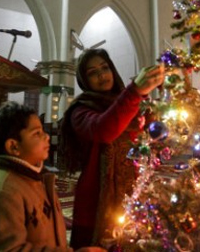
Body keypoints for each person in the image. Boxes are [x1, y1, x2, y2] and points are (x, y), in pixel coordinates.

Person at [58, 49, 165, 248]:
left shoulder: (130, 102)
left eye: (105, 68)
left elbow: (152, 136)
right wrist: (135, 92)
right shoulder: (80, 110)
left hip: (134, 192)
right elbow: (104, 130)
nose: (102, 75)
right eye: (93, 73)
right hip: (97, 200)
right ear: (84, 80)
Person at [0, 101, 105, 252]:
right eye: (37, 133)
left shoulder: (34, 177)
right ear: (13, 146)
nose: (46, 137)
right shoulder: (1, 194)